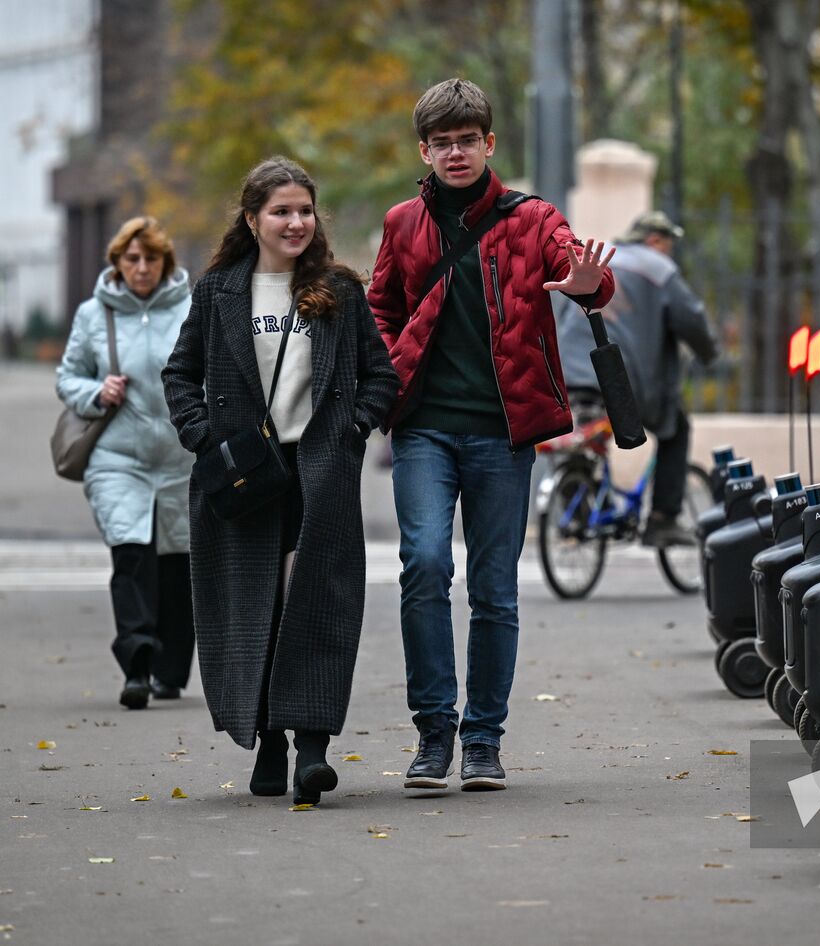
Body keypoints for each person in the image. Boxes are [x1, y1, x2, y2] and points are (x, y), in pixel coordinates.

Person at [368, 78, 615, 794]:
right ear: (425, 149)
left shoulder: (533, 219)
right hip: (423, 430)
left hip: (504, 433)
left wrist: (588, 282)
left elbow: (582, 272)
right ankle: (434, 731)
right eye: (441, 142)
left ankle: (483, 739)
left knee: (494, 587)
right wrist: (389, 368)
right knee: (421, 564)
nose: (454, 152)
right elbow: (381, 304)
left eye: (466, 140)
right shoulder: (402, 223)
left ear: (488, 144)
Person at [163, 157, 398, 805]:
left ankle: (313, 749)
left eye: (304, 210)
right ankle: (268, 738)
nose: (296, 222)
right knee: (255, 609)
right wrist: (206, 437)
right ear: (252, 219)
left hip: (317, 474)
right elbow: (179, 376)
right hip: (244, 478)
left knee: (313, 605)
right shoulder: (219, 293)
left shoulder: (339, 290)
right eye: (281, 211)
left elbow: (382, 375)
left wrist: (352, 430)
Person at [56, 216, 197, 710]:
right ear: (117, 262)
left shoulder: (191, 307)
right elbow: (68, 377)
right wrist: (97, 391)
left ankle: (171, 670)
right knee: (131, 555)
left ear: (165, 263)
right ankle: (137, 664)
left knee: (179, 563)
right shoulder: (95, 314)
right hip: (118, 458)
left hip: (183, 458)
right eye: (132, 259)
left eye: (151, 259)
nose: (141, 268)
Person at [553, 210, 719, 547]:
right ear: (655, 240)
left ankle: (581, 511)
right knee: (677, 429)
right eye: (668, 245)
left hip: (570, 371)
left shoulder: (597, 257)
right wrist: (710, 354)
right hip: (621, 380)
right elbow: (692, 320)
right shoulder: (658, 268)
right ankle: (663, 519)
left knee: (579, 437)